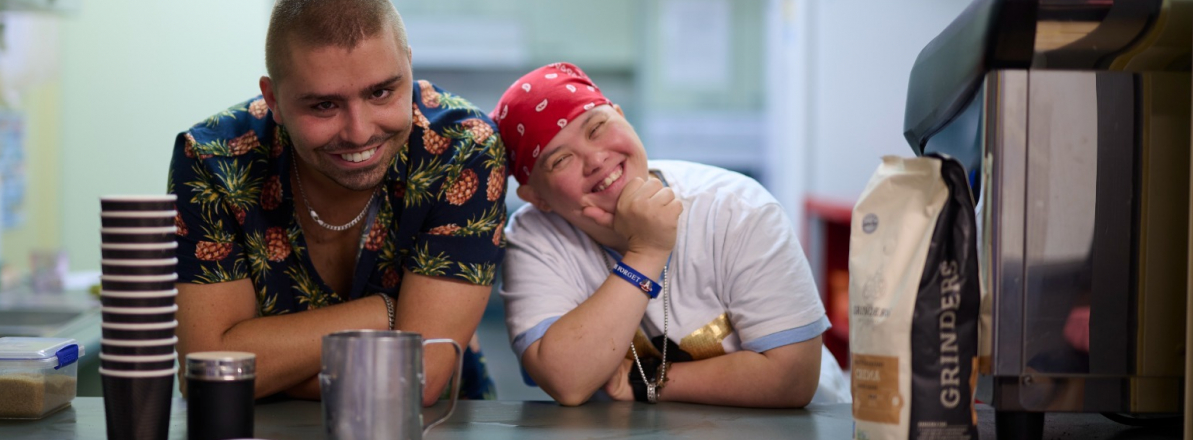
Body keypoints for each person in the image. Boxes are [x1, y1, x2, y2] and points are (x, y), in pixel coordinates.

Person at [168, 0, 506, 404]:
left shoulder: (462, 149)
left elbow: (421, 379)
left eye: (382, 92)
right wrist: (387, 311)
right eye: (324, 105)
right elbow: (207, 372)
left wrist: (257, 367)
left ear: (409, 67)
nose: (360, 133)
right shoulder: (213, 160)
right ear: (273, 99)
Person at [494, 62, 849, 407]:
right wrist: (646, 252)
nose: (595, 159)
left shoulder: (738, 208)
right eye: (560, 160)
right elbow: (566, 380)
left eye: (597, 127)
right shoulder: (534, 238)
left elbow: (793, 377)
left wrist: (641, 381)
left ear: (621, 116)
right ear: (537, 197)